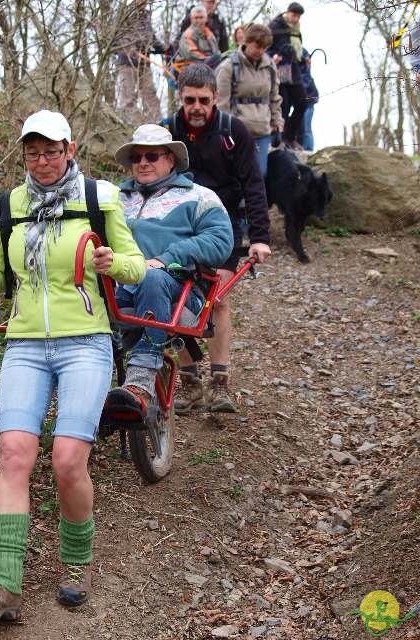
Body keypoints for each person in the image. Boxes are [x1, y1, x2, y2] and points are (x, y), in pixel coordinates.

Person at [0, 110, 146, 620]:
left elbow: (136, 264)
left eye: (51, 150)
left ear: (70, 148)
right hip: (25, 345)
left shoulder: (100, 198)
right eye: (32, 152)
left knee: (66, 461)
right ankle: (3, 586)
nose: (42, 161)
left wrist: (111, 264)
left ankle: (76, 565)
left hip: (86, 342)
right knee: (14, 453)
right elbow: (0, 275)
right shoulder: (10, 203)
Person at [102, 124, 233, 419]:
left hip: (179, 288)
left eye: (152, 156)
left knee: (150, 278)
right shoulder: (115, 198)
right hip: (121, 284)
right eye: (136, 157)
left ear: (171, 158)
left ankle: (141, 380)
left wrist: (166, 258)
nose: (143, 163)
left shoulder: (200, 197)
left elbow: (220, 240)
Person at [163, 63, 271, 414]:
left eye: (204, 100)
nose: (197, 107)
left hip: (224, 226)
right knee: (176, 299)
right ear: (180, 97)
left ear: (216, 98)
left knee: (217, 299)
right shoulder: (168, 131)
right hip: (180, 226)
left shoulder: (233, 131)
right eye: (190, 99)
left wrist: (259, 236)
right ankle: (191, 382)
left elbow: (254, 184)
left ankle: (220, 383)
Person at [216, 23, 283, 177]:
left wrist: (277, 121)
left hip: (262, 130)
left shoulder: (270, 67)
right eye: (257, 46)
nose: (261, 51)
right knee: (237, 174)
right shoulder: (229, 67)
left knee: (260, 174)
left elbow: (274, 98)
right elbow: (222, 104)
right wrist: (224, 132)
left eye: (264, 48)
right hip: (237, 132)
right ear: (246, 41)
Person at [116, 0, 166, 123]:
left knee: (150, 94)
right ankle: (128, 124)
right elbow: (116, 37)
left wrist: (164, 48)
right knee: (128, 97)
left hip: (144, 61)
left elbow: (150, 37)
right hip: (128, 62)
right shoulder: (125, 13)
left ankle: (156, 125)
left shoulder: (146, 15)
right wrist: (130, 47)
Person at [268, 2, 308, 150]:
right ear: (288, 12)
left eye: (298, 16)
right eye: (294, 15)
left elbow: (296, 50)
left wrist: (303, 59)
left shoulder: (296, 30)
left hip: (294, 69)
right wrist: (273, 57)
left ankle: (290, 137)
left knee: (302, 101)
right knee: (282, 106)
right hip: (280, 69)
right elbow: (265, 47)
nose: (295, 18)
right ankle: (280, 140)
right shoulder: (275, 26)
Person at [299, 48, 319, 151]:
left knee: (307, 128)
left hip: (309, 105)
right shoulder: (302, 76)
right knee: (303, 127)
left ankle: (309, 148)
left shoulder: (307, 79)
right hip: (304, 104)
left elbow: (315, 96)